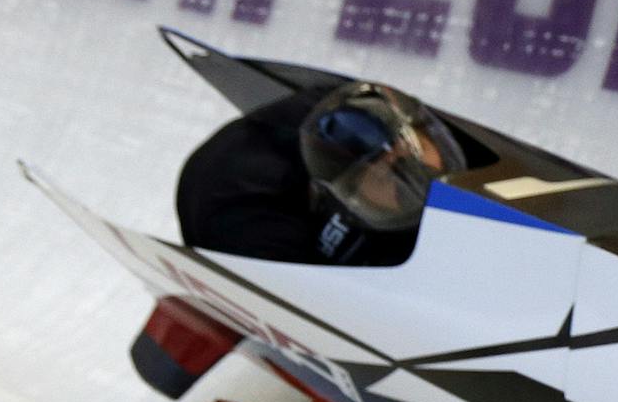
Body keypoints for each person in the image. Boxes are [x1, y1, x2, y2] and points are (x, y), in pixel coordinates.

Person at [176, 80, 468, 266]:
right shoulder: (251, 231)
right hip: (224, 202)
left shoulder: (365, 108)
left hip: (289, 133)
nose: (416, 176)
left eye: (415, 152)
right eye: (392, 177)